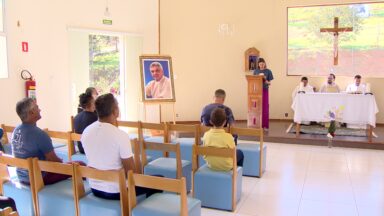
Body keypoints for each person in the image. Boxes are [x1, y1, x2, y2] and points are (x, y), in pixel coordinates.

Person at [81, 93, 160, 200]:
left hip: (95, 188)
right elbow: (131, 172)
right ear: (115, 111)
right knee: (159, 180)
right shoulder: (120, 135)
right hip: (117, 191)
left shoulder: (86, 132)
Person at [11, 98, 82, 185]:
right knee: (80, 165)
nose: (40, 109)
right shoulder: (40, 134)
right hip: (39, 177)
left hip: (21, 176)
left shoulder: (16, 131)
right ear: (31, 112)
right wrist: (64, 164)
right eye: (37, 107)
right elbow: (54, 161)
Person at [253, 58, 273, 130]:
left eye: (263, 63)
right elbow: (253, 81)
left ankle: (265, 125)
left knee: (265, 108)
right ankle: (257, 125)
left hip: (264, 90)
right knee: (257, 107)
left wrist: (265, 79)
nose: (261, 65)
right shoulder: (255, 71)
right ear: (258, 64)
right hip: (257, 91)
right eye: (260, 64)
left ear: (265, 63)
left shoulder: (268, 71)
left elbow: (269, 83)